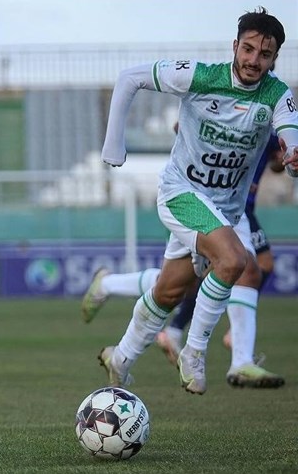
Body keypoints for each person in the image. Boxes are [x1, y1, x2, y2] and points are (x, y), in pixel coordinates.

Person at [95, 7, 298, 395]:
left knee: (170, 290)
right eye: (249, 49)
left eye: (265, 54)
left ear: (275, 58)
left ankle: (119, 357)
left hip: (224, 209)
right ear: (235, 46)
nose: (254, 60)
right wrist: (114, 145)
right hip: (180, 194)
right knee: (235, 260)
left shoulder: (277, 95)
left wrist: (293, 160)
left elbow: (291, 141)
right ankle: (195, 352)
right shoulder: (200, 76)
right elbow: (129, 78)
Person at [82, 134, 287, 389]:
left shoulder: (266, 106)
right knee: (201, 277)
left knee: (194, 282)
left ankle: (123, 356)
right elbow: (183, 122)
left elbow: (282, 157)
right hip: (191, 200)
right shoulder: (224, 102)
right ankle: (200, 348)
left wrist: (287, 157)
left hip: (233, 206)